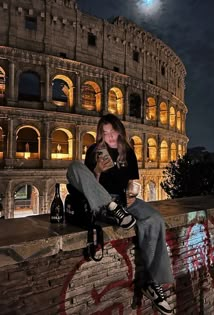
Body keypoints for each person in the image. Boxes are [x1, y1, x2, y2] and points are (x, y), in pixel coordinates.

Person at [66, 114, 173, 315]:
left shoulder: (128, 152)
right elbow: (88, 186)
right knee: (74, 168)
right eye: (105, 133)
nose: (110, 136)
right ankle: (113, 209)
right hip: (101, 203)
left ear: (120, 131)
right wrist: (97, 170)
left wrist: (132, 195)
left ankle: (153, 283)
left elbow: (133, 182)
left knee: (155, 219)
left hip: (125, 203)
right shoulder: (93, 151)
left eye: (113, 131)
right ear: (100, 134)